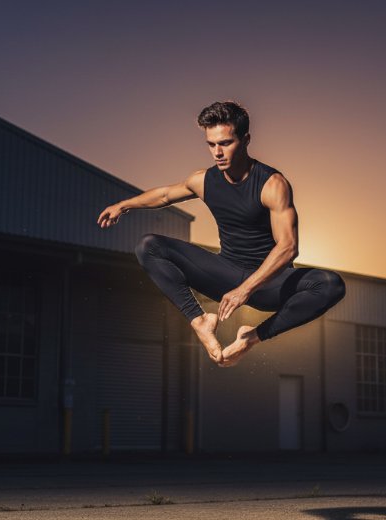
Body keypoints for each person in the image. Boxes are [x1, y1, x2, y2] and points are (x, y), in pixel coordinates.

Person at [96, 101, 346, 367]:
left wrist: (244, 290)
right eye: (211, 144)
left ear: (246, 140)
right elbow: (165, 195)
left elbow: (288, 248)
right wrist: (123, 205)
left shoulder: (272, 184)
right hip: (225, 272)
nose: (217, 152)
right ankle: (200, 321)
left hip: (269, 283)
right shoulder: (204, 180)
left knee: (330, 284)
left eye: (225, 143)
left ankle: (250, 337)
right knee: (149, 246)